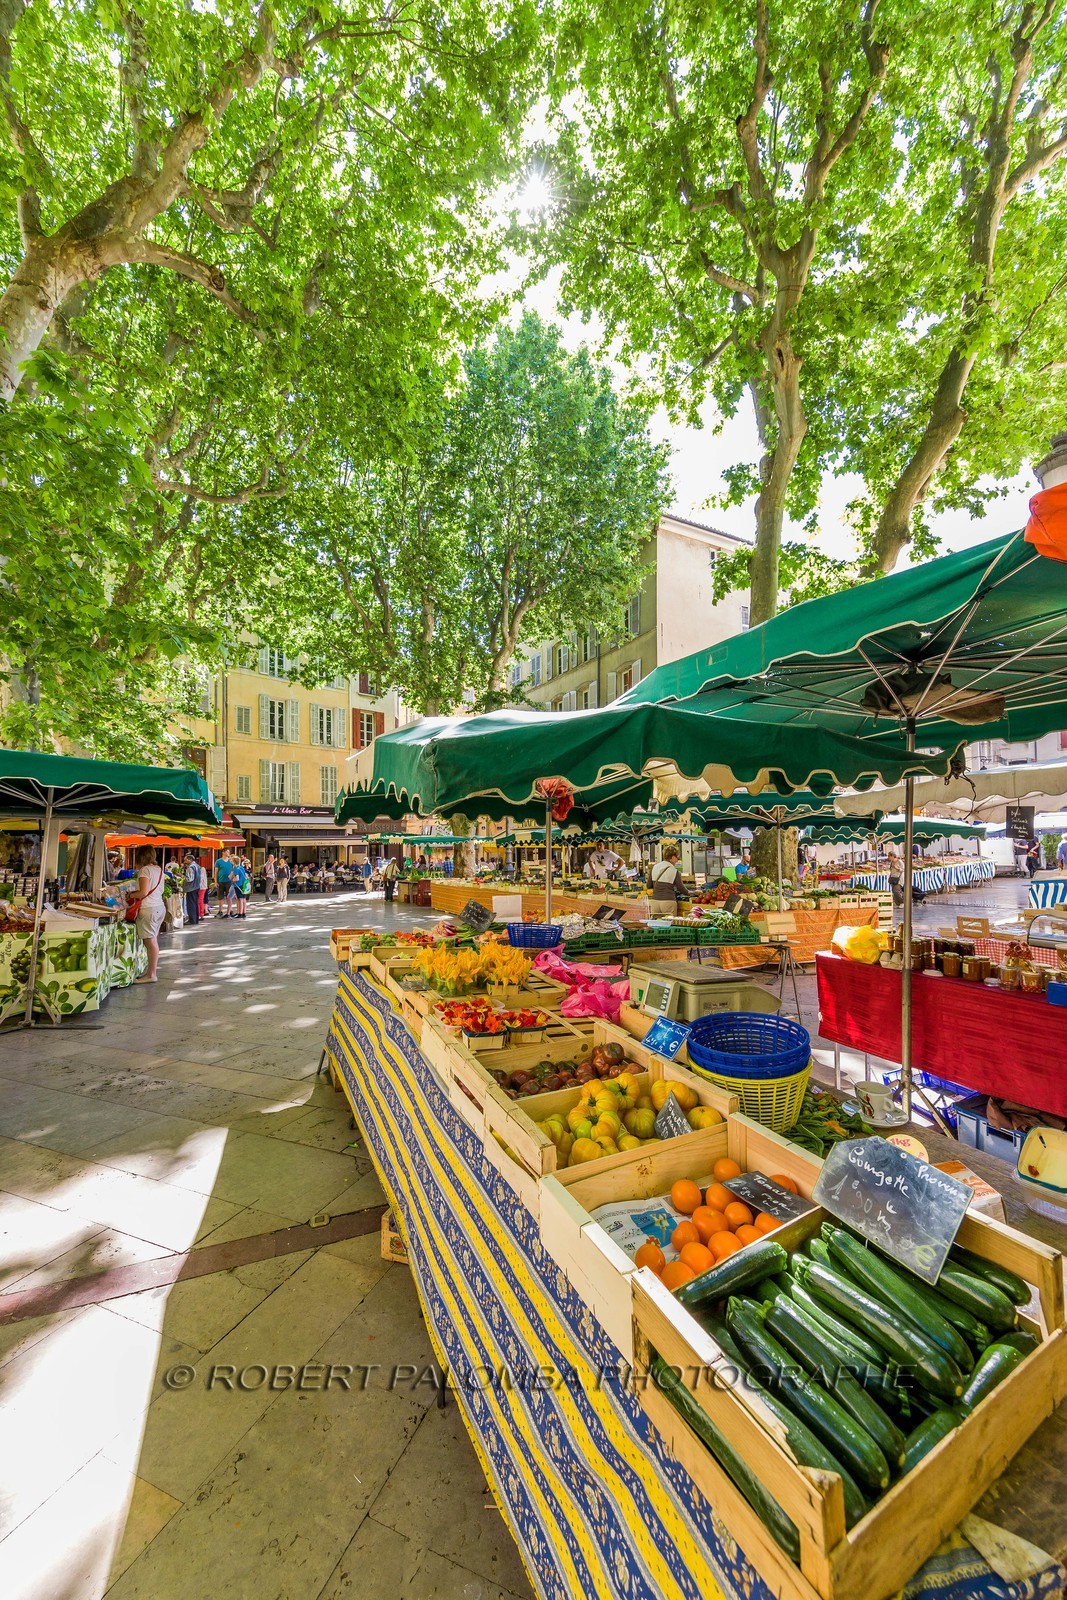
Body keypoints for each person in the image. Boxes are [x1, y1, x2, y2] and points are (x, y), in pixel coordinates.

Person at [128, 844, 166, 983]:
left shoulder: (145, 870)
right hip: (159, 907)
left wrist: (131, 895)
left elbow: (143, 892)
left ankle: (151, 974)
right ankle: (151, 971)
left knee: (150, 942)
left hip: (149, 908)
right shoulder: (158, 869)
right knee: (153, 940)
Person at [648, 844, 685, 909]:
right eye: (677, 858)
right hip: (668, 901)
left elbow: (648, 885)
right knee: (669, 919)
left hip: (655, 902)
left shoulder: (654, 867)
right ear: (673, 857)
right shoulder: (674, 871)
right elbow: (681, 889)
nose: (677, 860)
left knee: (655, 919)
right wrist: (691, 893)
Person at [215, 848, 237, 917]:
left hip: (229, 881)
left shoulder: (230, 861)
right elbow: (216, 872)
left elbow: (234, 870)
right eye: (227, 852)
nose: (228, 853)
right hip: (221, 881)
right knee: (220, 897)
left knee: (229, 897)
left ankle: (230, 910)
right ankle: (220, 911)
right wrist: (215, 881)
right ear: (223, 852)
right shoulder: (218, 861)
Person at [182, 851, 201, 927]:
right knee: (195, 903)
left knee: (191, 904)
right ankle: (195, 918)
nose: (185, 861)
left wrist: (181, 876)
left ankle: (192, 920)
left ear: (190, 859)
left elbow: (189, 879)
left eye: (186, 860)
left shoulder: (190, 867)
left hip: (191, 888)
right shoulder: (197, 866)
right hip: (196, 887)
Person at [886, 842, 905, 907]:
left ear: (892, 856)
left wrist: (897, 868)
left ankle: (902, 902)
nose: (888, 857)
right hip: (893, 878)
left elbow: (903, 869)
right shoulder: (891, 862)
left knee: (896, 890)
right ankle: (898, 903)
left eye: (889, 856)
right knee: (894, 891)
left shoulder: (899, 861)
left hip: (899, 879)